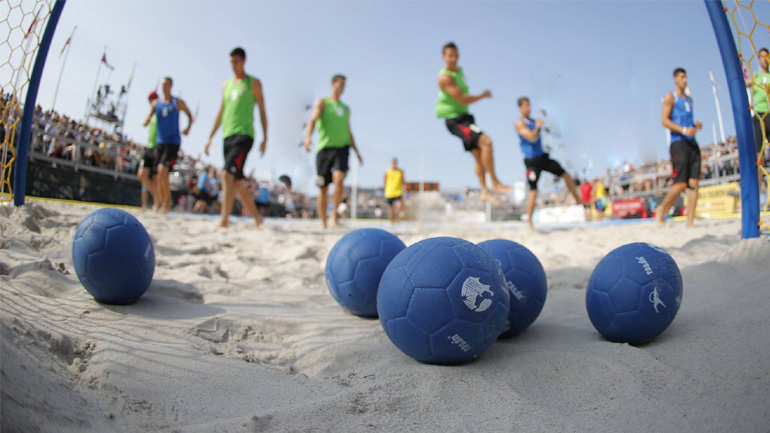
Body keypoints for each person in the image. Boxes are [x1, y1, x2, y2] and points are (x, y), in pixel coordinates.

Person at [436, 42, 512, 204]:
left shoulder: (459, 72)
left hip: (465, 117)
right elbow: (463, 98)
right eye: (450, 55)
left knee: (479, 155)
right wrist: (483, 96)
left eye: (456, 55)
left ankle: (484, 191)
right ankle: (495, 182)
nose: (453, 58)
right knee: (487, 141)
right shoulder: (445, 77)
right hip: (455, 119)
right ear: (443, 57)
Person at [204, 47, 267, 228]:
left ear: (243, 61)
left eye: (236, 62)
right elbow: (221, 111)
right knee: (237, 182)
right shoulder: (226, 84)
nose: (233, 65)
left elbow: (262, 111)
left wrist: (265, 137)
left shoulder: (253, 83)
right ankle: (257, 218)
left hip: (245, 134)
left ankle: (224, 220)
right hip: (227, 135)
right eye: (231, 62)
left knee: (225, 174)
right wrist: (210, 136)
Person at [303, 74, 363, 229]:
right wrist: (308, 137)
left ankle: (334, 215)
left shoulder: (346, 108)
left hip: (342, 148)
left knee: (339, 177)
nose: (343, 87)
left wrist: (357, 152)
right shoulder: (323, 102)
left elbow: (349, 132)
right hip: (324, 149)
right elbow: (312, 120)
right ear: (333, 84)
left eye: (345, 84)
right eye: (340, 84)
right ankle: (323, 222)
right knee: (323, 188)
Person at [515, 97, 584, 229]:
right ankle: (529, 223)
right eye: (525, 106)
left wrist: (547, 120)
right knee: (533, 190)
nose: (528, 108)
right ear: (520, 108)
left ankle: (579, 201)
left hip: (543, 157)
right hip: (531, 161)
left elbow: (551, 130)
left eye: (529, 105)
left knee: (566, 174)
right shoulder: (519, 123)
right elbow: (531, 136)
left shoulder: (536, 121)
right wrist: (538, 126)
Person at [656, 68, 703, 227]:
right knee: (681, 182)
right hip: (678, 142)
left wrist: (695, 126)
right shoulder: (671, 97)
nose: (685, 80)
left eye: (686, 77)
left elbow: (688, 122)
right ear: (675, 79)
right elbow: (664, 120)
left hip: (692, 141)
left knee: (694, 183)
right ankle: (662, 208)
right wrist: (683, 130)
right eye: (682, 77)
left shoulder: (689, 99)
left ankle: (690, 222)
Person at [142, 77, 193, 214]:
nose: (164, 86)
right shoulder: (156, 104)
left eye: (166, 84)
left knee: (163, 170)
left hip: (173, 142)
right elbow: (147, 117)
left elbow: (190, 115)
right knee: (159, 175)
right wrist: (145, 121)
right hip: (160, 142)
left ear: (171, 85)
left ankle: (167, 203)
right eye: (163, 84)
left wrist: (188, 128)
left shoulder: (177, 102)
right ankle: (161, 202)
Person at [746, 47, 770, 190]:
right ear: (759, 59)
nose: (765, 60)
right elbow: (746, 83)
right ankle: (759, 189)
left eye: (767, 57)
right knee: (758, 155)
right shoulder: (756, 76)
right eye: (762, 57)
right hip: (760, 115)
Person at [138, 90, 159, 210]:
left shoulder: (160, 113)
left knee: (156, 178)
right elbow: (144, 123)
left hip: (157, 146)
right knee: (142, 175)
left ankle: (157, 202)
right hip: (149, 146)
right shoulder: (151, 115)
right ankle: (152, 200)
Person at [384, 157, 405, 224]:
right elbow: (384, 181)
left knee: (399, 206)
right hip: (389, 191)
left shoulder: (400, 171)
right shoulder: (387, 171)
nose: (394, 164)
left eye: (395, 162)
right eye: (393, 163)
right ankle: (392, 221)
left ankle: (397, 220)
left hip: (398, 191)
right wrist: (385, 189)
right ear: (391, 163)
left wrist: (404, 189)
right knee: (391, 208)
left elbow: (403, 181)